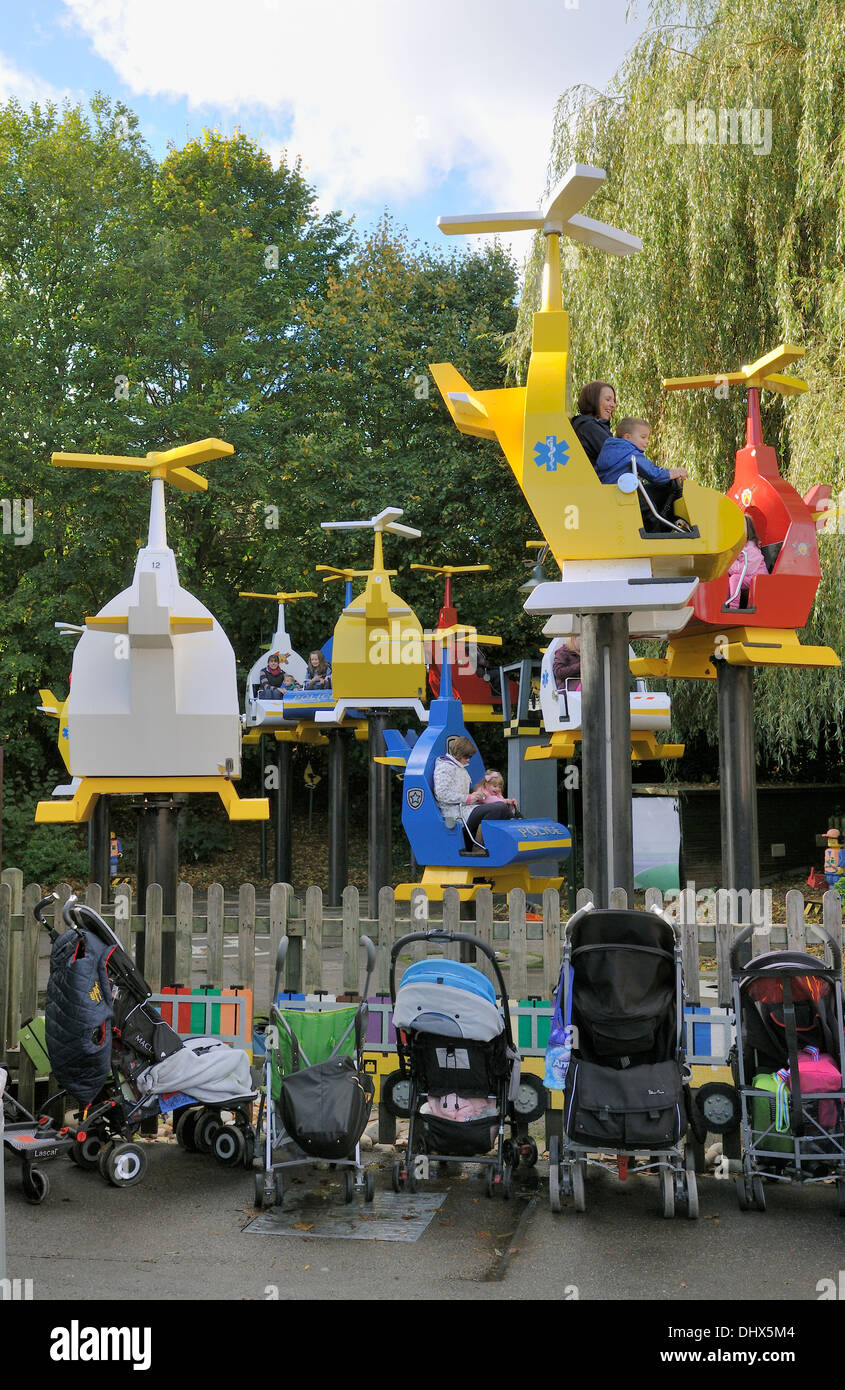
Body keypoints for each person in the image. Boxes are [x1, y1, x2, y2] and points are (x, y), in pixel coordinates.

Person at [595, 417, 690, 531]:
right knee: (670, 486)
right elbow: (654, 475)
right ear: (627, 437)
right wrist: (676, 472)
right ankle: (657, 529)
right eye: (643, 437)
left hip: (610, 495)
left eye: (648, 437)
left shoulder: (609, 449)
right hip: (625, 496)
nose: (647, 441)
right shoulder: (631, 453)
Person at [433, 737, 515, 855]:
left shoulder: (458, 767)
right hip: (456, 813)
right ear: (458, 754)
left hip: (466, 808)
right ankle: (477, 846)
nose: (468, 760)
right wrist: (469, 798)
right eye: (466, 757)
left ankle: (519, 828)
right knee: (499, 807)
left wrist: (475, 796)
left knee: (504, 807)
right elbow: (442, 794)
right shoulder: (445, 767)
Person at [725, 515, 768, 610]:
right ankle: (724, 602)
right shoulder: (739, 547)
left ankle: (733, 607)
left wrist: (729, 566)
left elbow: (748, 569)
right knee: (726, 578)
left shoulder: (752, 548)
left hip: (758, 578)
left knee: (735, 578)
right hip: (749, 577)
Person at [571, 381, 616, 465]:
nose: (613, 405)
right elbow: (616, 455)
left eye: (613, 401)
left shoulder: (588, 425)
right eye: (608, 399)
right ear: (593, 400)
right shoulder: (588, 427)